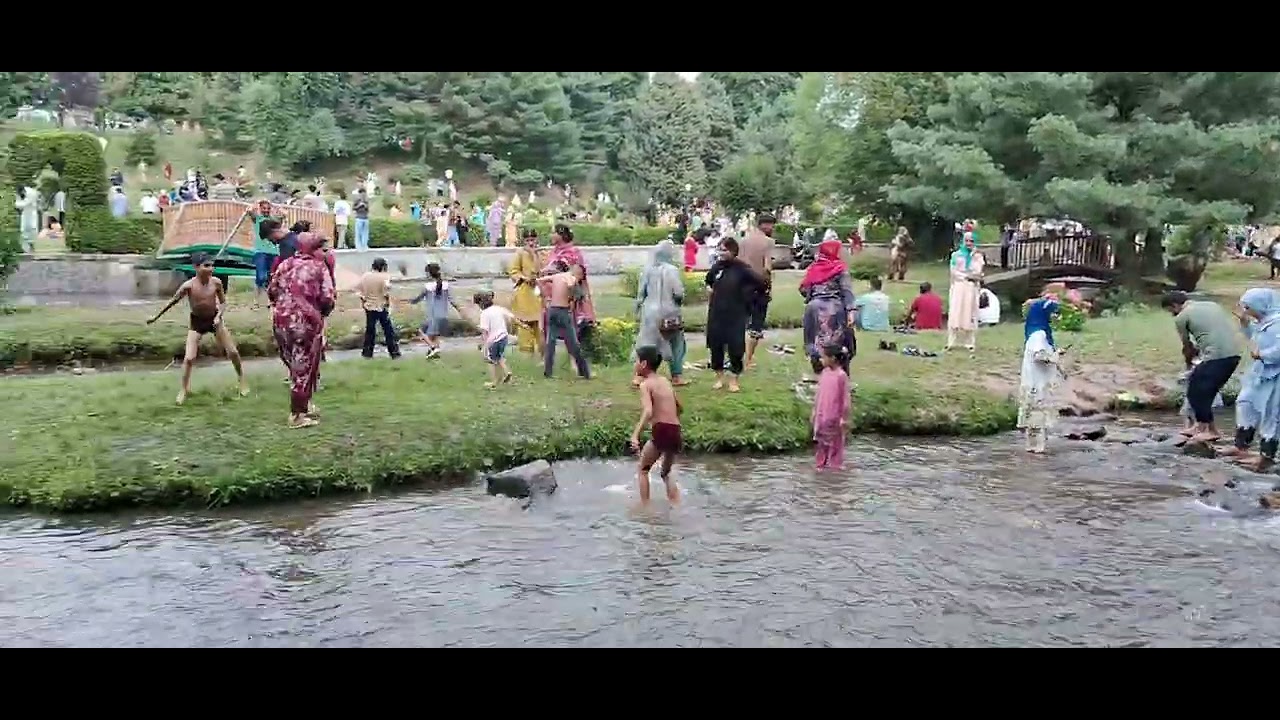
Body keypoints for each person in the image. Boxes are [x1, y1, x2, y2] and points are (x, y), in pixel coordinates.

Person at [146, 252, 248, 405]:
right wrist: (155, 317)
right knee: (189, 358)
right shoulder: (188, 286)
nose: (211, 269)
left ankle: (242, 381)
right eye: (206, 266)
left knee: (233, 352)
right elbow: (172, 302)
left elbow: (223, 303)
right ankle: (184, 389)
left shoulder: (216, 283)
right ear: (196, 267)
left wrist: (218, 316)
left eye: (212, 265)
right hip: (197, 322)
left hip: (214, 320)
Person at [268, 235, 335, 429]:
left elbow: (272, 290)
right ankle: (297, 415)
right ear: (313, 249)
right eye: (322, 250)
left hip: (281, 320)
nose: (325, 254)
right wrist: (320, 313)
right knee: (304, 368)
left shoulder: (285, 264)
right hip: (305, 323)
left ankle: (305, 405)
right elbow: (328, 298)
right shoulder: (319, 268)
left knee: (295, 365)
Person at [1162, 290, 1243, 444]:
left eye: (1170, 310)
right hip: (1234, 355)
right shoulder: (1211, 305)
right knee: (1206, 392)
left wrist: (1189, 363)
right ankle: (1204, 427)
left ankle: (1207, 430)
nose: (1172, 314)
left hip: (1217, 357)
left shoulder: (1181, 317)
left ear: (1174, 305)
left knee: (1195, 391)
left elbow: (1187, 347)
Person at [1225, 288, 1280, 470]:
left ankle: (1267, 456)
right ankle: (1241, 446)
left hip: (1275, 376)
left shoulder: (1277, 323)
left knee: (1272, 413)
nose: (1246, 311)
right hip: (1260, 374)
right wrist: (1244, 322)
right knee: (1245, 402)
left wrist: (1262, 354)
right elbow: (1254, 338)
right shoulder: (1264, 322)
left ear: (1260, 305)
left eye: (1248, 307)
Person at [704, 237, 761, 392]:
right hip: (717, 313)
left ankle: (734, 379)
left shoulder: (742, 269)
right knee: (716, 345)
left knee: (735, 347)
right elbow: (708, 281)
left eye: (725, 250)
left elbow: (760, 284)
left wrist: (747, 298)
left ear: (733, 251)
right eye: (720, 250)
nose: (721, 253)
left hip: (735, 314)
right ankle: (719, 377)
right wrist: (709, 289)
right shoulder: (717, 267)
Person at [630, 345, 682, 504]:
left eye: (636, 361)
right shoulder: (665, 381)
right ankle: (676, 505)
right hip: (676, 430)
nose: (635, 364)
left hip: (662, 430)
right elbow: (679, 407)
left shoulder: (645, 385)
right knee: (666, 473)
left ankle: (645, 508)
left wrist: (635, 435)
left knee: (643, 469)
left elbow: (648, 411)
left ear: (644, 364)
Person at [633, 240, 688, 387]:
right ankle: (676, 376)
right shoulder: (672, 270)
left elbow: (641, 293)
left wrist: (637, 310)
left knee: (646, 344)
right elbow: (678, 292)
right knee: (676, 344)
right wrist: (679, 302)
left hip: (649, 312)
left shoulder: (647, 269)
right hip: (669, 312)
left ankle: (639, 376)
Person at [1017, 285, 1065, 454]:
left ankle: (1031, 448)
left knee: (1032, 416)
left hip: (1031, 381)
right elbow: (1039, 356)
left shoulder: (1033, 333)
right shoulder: (1040, 335)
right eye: (1052, 313)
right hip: (1038, 382)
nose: (1054, 317)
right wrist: (1056, 356)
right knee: (1038, 417)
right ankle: (1038, 449)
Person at [800, 237, 856, 375]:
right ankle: (840, 376)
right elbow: (846, 291)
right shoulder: (840, 268)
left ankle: (820, 375)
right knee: (838, 345)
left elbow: (803, 289)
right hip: (834, 310)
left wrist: (813, 296)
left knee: (815, 343)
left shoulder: (814, 268)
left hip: (813, 309)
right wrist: (851, 311)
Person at [542, 223, 596, 340]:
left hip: (569, 297)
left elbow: (576, 275)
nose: (551, 235)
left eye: (553, 232)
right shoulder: (554, 252)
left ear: (561, 235)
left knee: (572, 333)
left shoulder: (573, 252)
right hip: (552, 298)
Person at [539, 260, 591, 379]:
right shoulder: (571, 278)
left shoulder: (557, 276)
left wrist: (546, 297)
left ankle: (548, 371)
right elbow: (571, 286)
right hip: (563, 311)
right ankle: (584, 372)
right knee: (573, 343)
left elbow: (539, 280)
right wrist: (571, 296)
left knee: (550, 342)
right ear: (578, 273)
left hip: (552, 310)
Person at [739, 213, 776, 369]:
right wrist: (768, 286)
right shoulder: (768, 242)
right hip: (759, 285)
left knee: (740, 322)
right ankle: (748, 359)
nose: (772, 228)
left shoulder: (743, 241)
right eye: (771, 225)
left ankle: (737, 356)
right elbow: (767, 267)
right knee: (756, 324)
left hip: (742, 284)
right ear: (764, 225)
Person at [409, 263, 461, 359]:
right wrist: (460, 309)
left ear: (429, 273)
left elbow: (418, 299)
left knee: (421, 331)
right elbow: (452, 301)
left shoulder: (427, 286)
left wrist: (410, 301)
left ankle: (433, 347)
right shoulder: (446, 285)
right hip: (443, 315)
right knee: (435, 335)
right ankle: (434, 352)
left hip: (433, 316)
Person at [811, 344, 850, 470]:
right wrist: (814, 411)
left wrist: (844, 418)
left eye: (824, 357)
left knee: (835, 446)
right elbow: (819, 394)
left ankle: (834, 469)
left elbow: (845, 398)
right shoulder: (824, 373)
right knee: (821, 444)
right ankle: (820, 467)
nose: (821, 360)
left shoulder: (841, 375)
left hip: (834, 417)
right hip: (822, 415)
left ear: (833, 358)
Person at [947, 232, 985, 351]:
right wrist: (966, 276)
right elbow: (954, 272)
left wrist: (970, 273)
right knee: (955, 312)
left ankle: (969, 342)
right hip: (958, 287)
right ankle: (951, 341)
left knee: (970, 312)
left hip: (971, 288)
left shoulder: (978, 256)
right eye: (967, 240)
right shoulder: (956, 255)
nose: (968, 243)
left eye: (971, 241)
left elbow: (978, 272)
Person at [358, 257, 401, 360]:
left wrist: (364, 303)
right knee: (388, 330)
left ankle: (367, 353)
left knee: (370, 331)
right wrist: (388, 304)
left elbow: (361, 293)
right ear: (382, 267)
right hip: (381, 306)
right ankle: (394, 352)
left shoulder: (365, 276)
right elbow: (386, 293)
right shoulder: (384, 277)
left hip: (369, 306)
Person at [475, 290, 517, 388]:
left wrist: (484, 345)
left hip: (493, 340)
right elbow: (511, 317)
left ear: (480, 304)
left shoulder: (484, 314)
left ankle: (494, 381)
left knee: (491, 360)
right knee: (499, 357)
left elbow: (485, 331)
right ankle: (507, 372)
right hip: (503, 336)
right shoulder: (498, 309)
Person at [248, 201, 279, 306]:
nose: (266, 210)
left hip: (274, 251)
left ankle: (269, 300)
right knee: (261, 277)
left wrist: (273, 205)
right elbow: (249, 210)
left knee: (271, 277)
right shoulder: (257, 219)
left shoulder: (274, 220)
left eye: (268, 208)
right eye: (264, 208)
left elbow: (284, 214)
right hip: (260, 251)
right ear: (260, 209)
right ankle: (256, 300)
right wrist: (258, 202)